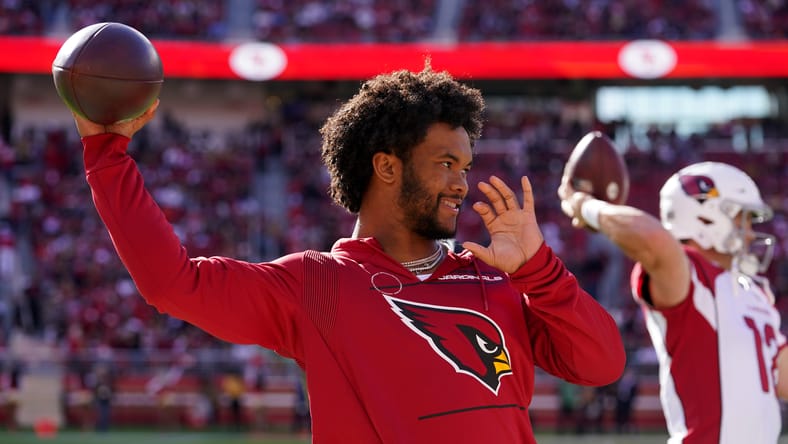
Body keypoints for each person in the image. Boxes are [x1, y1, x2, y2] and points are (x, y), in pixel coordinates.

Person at [70, 65, 624, 443]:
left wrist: (539, 271)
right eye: (445, 163)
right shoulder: (317, 285)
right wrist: (106, 154)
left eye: (466, 166)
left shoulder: (496, 276)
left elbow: (601, 365)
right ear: (387, 167)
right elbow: (173, 284)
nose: (462, 184)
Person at [559, 159, 787, 443]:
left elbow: (783, 377)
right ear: (706, 218)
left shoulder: (753, 292)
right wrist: (586, 206)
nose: (751, 233)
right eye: (743, 219)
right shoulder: (689, 273)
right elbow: (655, 241)